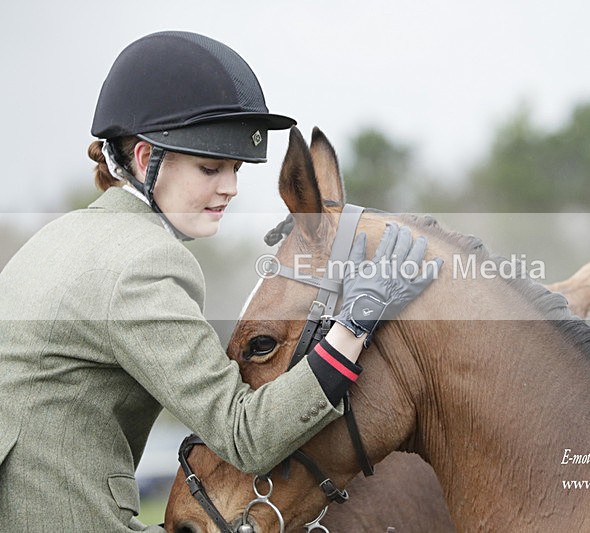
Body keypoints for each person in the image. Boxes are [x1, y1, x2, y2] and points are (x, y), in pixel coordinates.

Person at [0, 31, 437, 532]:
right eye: (210, 168)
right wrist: (354, 325)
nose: (228, 188)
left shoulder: (58, 238)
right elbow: (244, 436)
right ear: (145, 160)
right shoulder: (145, 263)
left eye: (234, 169)